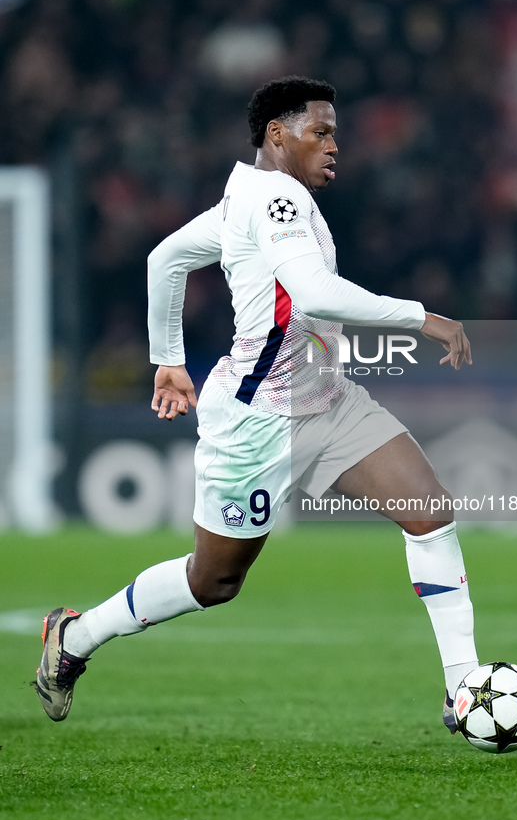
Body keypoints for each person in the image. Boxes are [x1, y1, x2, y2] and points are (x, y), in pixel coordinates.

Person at [36, 76, 478, 731]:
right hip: (256, 420)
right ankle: (73, 637)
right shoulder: (274, 199)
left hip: (327, 401)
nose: (334, 146)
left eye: (334, 133)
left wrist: (168, 359)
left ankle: (463, 689)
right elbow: (314, 294)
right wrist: (423, 318)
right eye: (319, 132)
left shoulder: (254, 195)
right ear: (278, 133)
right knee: (212, 582)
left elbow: (168, 259)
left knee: (429, 514)